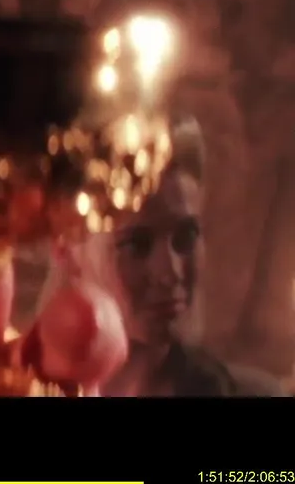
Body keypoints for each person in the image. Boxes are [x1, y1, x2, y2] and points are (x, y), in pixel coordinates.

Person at [32, 115, 286, 396]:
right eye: (136, 245)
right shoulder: (8, 384)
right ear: (66, 247)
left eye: (185, 237)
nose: (170, 272)